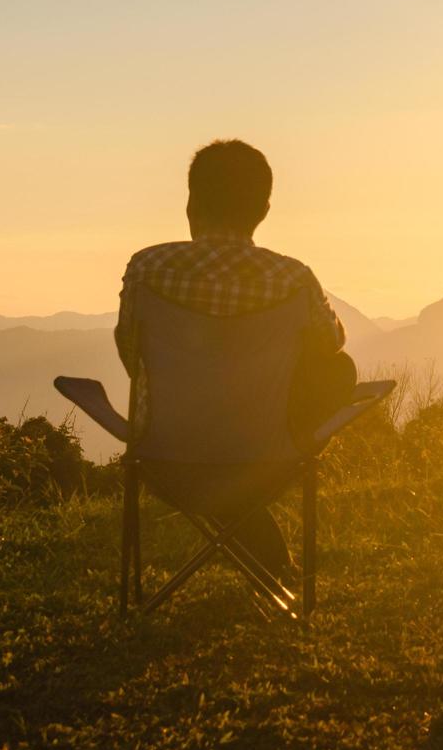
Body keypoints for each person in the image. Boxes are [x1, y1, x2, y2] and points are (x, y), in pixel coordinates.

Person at [114, 138, 357, 575]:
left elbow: (131, 353)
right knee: (341, 369)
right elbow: (331, 344)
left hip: (167, 462)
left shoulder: (146, 268)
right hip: (269, 462)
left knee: (214, 456)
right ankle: (275, 563)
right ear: (264, 210)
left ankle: (268, 559)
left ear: (191, 203)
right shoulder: (293, 279)